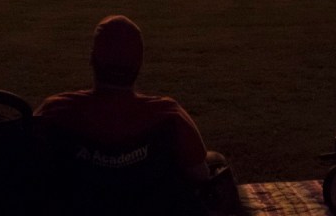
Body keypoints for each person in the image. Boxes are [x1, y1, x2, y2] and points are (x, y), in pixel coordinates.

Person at [34, 15, 221, 212]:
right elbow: (200, 174)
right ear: (138, 64)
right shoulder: (168, 115)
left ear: (92, 59)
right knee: (215, 160)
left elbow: (25, 161)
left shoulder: (55, 111)